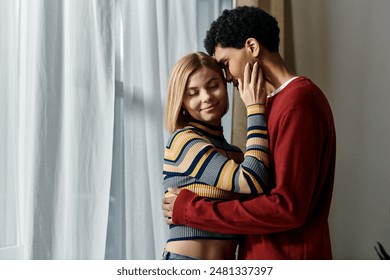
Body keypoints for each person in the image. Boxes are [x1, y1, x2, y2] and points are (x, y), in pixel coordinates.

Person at [162, 6, 336, 260]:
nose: (227, 77)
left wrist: (189, 210)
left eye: (225, 64)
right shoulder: (274, 104)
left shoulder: (298, 101)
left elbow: (287, 207)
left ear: (252, 47)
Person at [162, 51, 270, 260]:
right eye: (192, 93)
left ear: (226, 84)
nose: (207, 97)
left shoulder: (236, 155)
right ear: (181, 101)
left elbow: (253, 204)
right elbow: (251, 180)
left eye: (213, 85)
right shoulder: (183, 141)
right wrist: (255, 108)